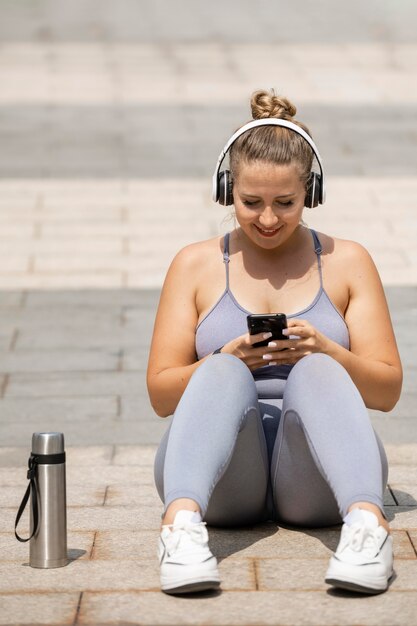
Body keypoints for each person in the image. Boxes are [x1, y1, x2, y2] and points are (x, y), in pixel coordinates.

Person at [146, 89, 403, 596]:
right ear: (226, 190)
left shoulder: (348, 261)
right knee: (221, 370)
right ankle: (179, 530)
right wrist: (226, 357)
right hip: (221, 475)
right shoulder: (194, 264)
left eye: (285, 203)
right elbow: (159, 396)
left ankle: (369, 528)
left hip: (315, 475)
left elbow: (388, 392)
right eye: (251, 202)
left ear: (312, 192)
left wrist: (328, 352)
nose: (267, 219)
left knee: (316, 369)